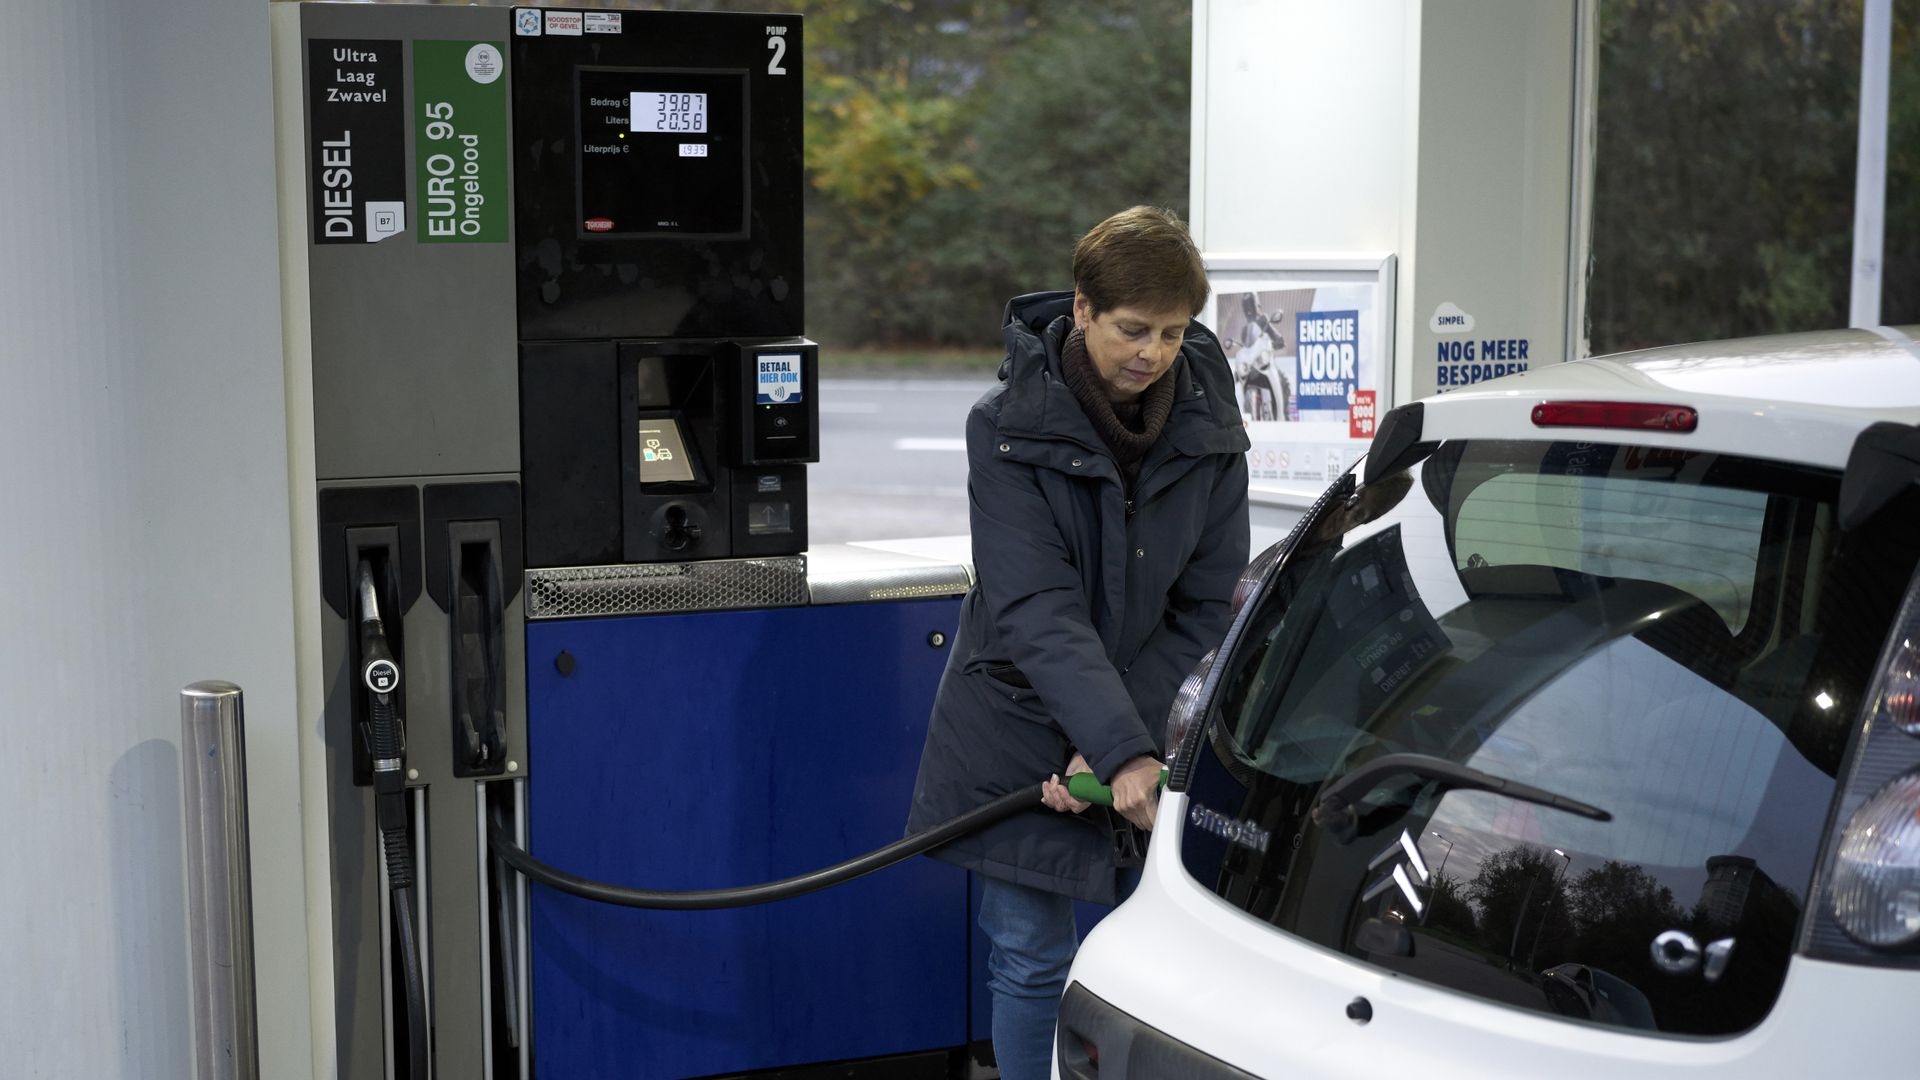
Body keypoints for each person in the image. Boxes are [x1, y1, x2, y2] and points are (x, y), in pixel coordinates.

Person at [906, 206, 1251, 1080]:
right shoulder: (1006, 426)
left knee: (1152, 965)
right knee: (1031, 956)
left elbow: (1207, 605)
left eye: (1175, 333)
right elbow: (1036, 608)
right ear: (1083, 308)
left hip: (1138, 727)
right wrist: (1111, 746)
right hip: (1018, 720)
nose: (1154, 353)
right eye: (1134, 330)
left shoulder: (1210, 429)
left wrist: (1120, 745)